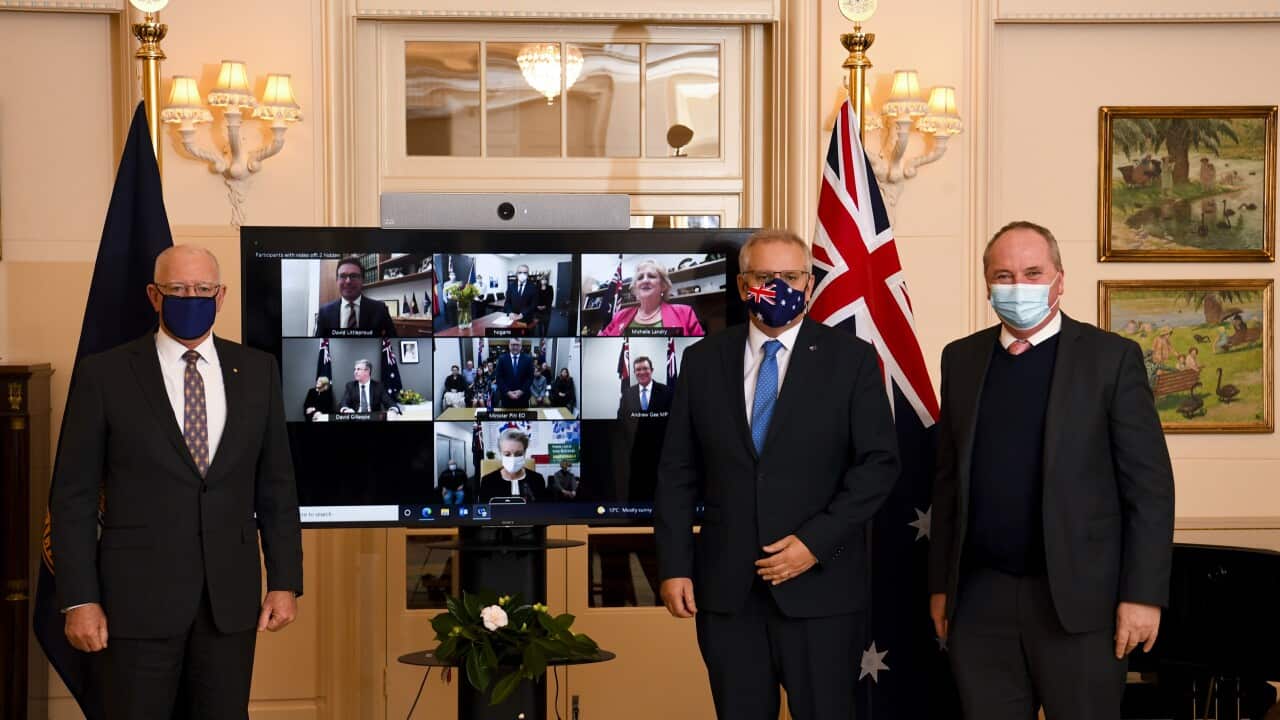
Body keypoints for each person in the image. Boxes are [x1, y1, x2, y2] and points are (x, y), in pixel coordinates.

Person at [929, 220, 1174, 720]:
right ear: (988, 285)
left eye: (1032, 272)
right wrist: (941, 587)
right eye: (1004, 275)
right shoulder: (962, 359)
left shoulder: (1112, 359)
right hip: (980, 602)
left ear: (1059, 280)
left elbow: (1149, 490)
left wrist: (1143, 596)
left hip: (1081, 604)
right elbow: (948, 484)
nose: (1018, 286)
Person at [654, 229, 899, 720]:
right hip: (728, 594)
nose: (780, 287)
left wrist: (813, 544)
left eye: (790, 277)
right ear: (745, 286)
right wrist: (674, 565)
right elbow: (678, 472)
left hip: (821, 590)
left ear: (808, 285)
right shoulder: (702, 361)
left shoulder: (850, 360)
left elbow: (878, 465)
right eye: (767, 277)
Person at [51, 245, 303, 718]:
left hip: (228, 606)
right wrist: (79, 599)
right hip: (134, 607)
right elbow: (73, 498)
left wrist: (285, 581)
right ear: (154, 295)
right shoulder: (104, 375)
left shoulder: (257, 371)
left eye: (204, 289)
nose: (193, 297)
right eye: (179, 289)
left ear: (221, 295)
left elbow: (277, 488)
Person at [600, 259, 704, 337]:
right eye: (640, 278)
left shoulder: (685, 313)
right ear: (635, 288)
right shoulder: (620, 315)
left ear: (663, 285)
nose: (645, 280)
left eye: (651, 276)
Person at [315, 256, 398, 337]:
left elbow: (392, 342)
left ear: (362, 280)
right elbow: (320, 345)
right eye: (343, 276)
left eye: (353, 276)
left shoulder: (380, 309)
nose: (348, 281)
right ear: (337, 280)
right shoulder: (324, 312)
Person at [478, 429, 547, 502]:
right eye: (507, 454)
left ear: (525, 452)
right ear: (500, 453)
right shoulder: (487, 481)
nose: (513, 458)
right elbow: (483, 510)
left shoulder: (537, 479)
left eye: (519, 454)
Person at [495, 338, 535, 408]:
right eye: (513, 345)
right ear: (509, 345)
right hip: (506, 398)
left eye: (517, 345)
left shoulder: (528, 359)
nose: (515, 347)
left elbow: (530, 378)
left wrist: (521, 391)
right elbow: (499, 378)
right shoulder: (502, 359)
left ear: (521, 346)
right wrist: (508, 392)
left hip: (523, 398)